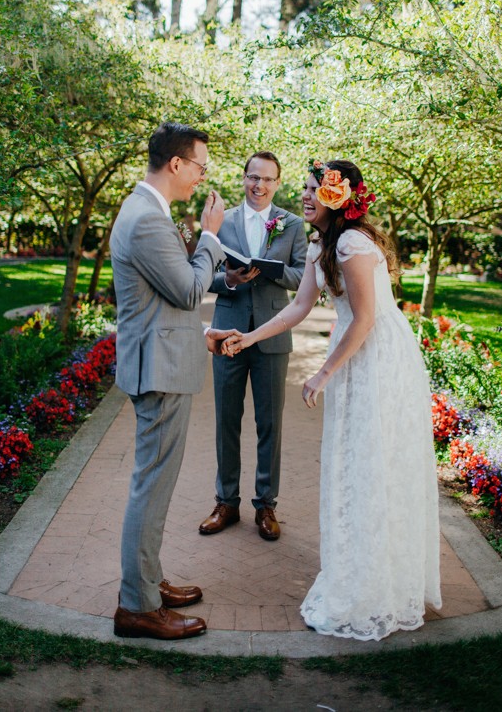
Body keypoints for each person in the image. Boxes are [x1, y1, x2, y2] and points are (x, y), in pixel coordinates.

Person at [223, 159, 441, 640]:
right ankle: (361, 575)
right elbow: (299, 307)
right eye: (302, 188)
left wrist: (321, 374)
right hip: (355, 359)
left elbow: (364, 319)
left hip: (377, 362)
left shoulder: (350, 243)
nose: (303, 196)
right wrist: (249, 336)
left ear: (337, 197)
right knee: (356, 469)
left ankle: (379, 585)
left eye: (311, 189)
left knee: (371, 467)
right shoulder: (323, 243)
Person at [109, 122, 238, 641]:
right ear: (177, 164)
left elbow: (163, 300)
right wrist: (211, 236)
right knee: (152, 486)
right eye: (201, 166)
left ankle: (145, 581)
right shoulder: (146, 220)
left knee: (154, 484)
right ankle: (137, 606)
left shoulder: (145, 212)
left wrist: (202, 333)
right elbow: (186, 290)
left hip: (163, 358)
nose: (203, 177)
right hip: (158, 373)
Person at [199, 152, 308, 541]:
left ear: (277, 183)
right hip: (226, 335)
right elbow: (200, 272)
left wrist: (273, 273)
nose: (258, 185)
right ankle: (226, 502)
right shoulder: (221, 222)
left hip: (272, 336)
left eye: (266, 179)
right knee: (227, 421)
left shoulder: (293, 225)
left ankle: (266, 506)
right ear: (243, 179)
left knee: (270, 424)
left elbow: (302, 275)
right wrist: (227, 279)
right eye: (252, 178)